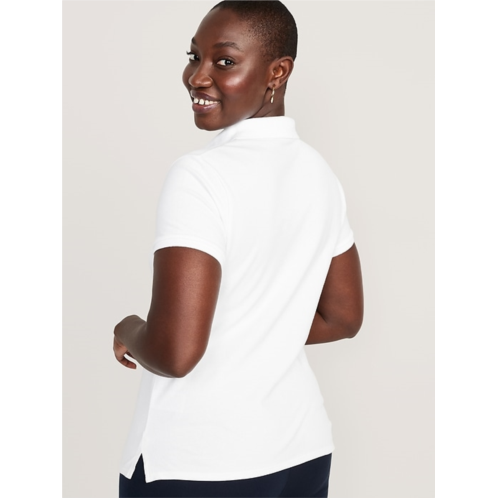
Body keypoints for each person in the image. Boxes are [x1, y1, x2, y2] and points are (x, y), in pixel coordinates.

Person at [113, 0, 364, 496]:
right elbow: (342, 318)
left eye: (224, 61)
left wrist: (129, 329)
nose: (197, 77)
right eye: (194, 56)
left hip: (200, 463)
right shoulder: (318, 174)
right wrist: (254, 332)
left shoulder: (200, 177)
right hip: (300, 451)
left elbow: (174, 353)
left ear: (278, 72)